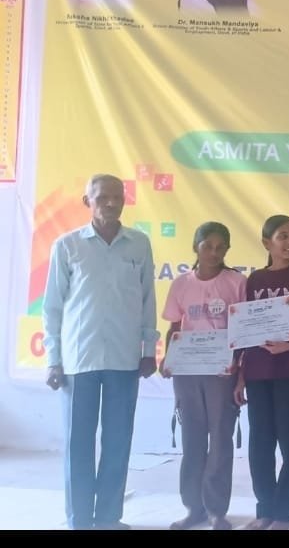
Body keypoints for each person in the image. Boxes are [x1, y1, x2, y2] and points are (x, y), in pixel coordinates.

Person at [42, 173, 159, 530]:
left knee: (118, 440)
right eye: (102, 197)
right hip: (79, 359)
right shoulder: (67, 245)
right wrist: (53, 360)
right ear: (87, 202)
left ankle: (109, 517)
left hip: (125, 357)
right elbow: (52, 308)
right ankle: (78, 519)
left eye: (117, 197)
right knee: (78, 444)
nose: (111, 203)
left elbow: (147, 300)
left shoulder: (139, 244)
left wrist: (148, 349)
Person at [233, 215, 289, 530]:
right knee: (260, 444)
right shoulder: (254, 280)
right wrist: (240, 376)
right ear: (266, 242)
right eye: (283, 236)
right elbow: (245, 331)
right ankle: (265, 509)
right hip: (257, 372)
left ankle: (283, 512)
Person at [160, 221, 246, 531]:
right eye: (207, 245)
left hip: (222, 372)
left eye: (220, 247)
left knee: (221, 439)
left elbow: (244, 330)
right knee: (192, 439)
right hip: (187, 372)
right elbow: (174, 327)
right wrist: (167, 357)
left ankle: (216, 510)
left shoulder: (236, 282)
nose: (213, 252)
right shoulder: (181, 284)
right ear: (195, 247)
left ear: (227, 249)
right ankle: (193, 508)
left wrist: (240, 373)